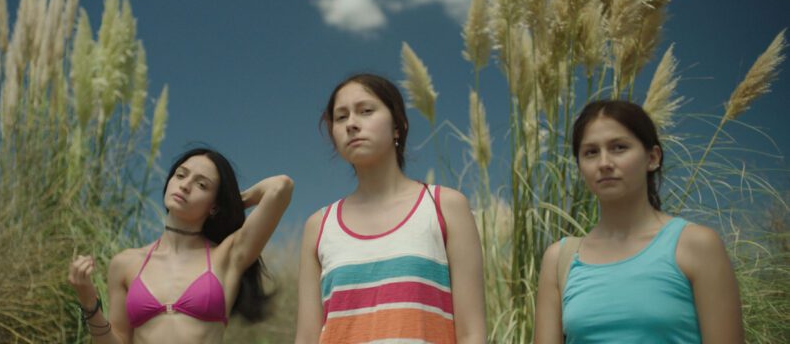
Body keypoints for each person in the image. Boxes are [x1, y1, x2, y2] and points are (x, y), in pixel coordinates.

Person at [295, 73, 487, 344]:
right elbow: (306, 337)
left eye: (366, 111)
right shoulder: (319, 225)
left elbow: (472, 333)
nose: (351, 123)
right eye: (341, 117)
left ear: (398, 126)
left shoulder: (445, 207)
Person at [533, 100, 744, 343]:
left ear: (653, 157)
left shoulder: (696, 245)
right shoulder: (560, 259)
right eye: (591, 152)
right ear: (580, 167)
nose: (604, 163)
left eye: (619, 147)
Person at [68, 148, 293, 343]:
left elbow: (281, 187)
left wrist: (231, 202)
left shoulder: (227, 257)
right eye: (180, 175)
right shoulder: (125, 263)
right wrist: (89, 302)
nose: (185, 186)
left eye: (201, 185)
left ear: (214, 205)